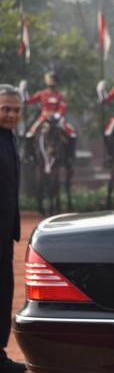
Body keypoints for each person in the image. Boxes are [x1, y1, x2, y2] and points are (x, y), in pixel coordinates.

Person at [0, 84, 27, 373]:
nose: (11, 115)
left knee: (4, 292)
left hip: (5, 233)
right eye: (5, 109)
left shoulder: (10, 137)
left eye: (16, 110)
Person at [22, 72, 77, 162]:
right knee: (30, 133)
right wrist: (23, 91)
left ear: (56, 82)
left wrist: (57, 115)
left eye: (52, 80)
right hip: (44, 118)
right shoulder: (42, 93)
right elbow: (28, 100)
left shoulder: (59, 96)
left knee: (71, 134)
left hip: (57, 119)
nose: (50, 82)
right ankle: (29, 156)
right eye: (49, 80)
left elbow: (62, 107)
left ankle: (70, 156)